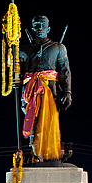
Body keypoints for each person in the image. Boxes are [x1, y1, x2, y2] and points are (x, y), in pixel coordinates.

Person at [19, 15, 71, 162]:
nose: (40, 28)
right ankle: (36, 153)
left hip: (51, 90)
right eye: (36, 25)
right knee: (34, 120)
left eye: (43, 25)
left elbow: (64, 71)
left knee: (50, 120)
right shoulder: (24, 49)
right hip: (31, 91)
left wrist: (67, 92)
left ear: (48, 28)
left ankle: (51, 153)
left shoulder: (58, 48)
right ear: (32, 28)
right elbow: (17, 72)